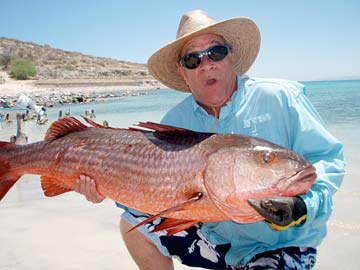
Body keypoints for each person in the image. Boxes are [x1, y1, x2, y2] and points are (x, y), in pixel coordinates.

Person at [74, 10, 345, 269]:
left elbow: (328, 159)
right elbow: (150, 188)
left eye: (216, 52)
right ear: (183, 72)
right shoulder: (174, 122)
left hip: (279, 245)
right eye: (192, 59)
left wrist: (301, 206)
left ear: (231, 56)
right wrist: (103, 187)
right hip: (216, 241)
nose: (206, 64)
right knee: (134, 224)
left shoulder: (280, 98)